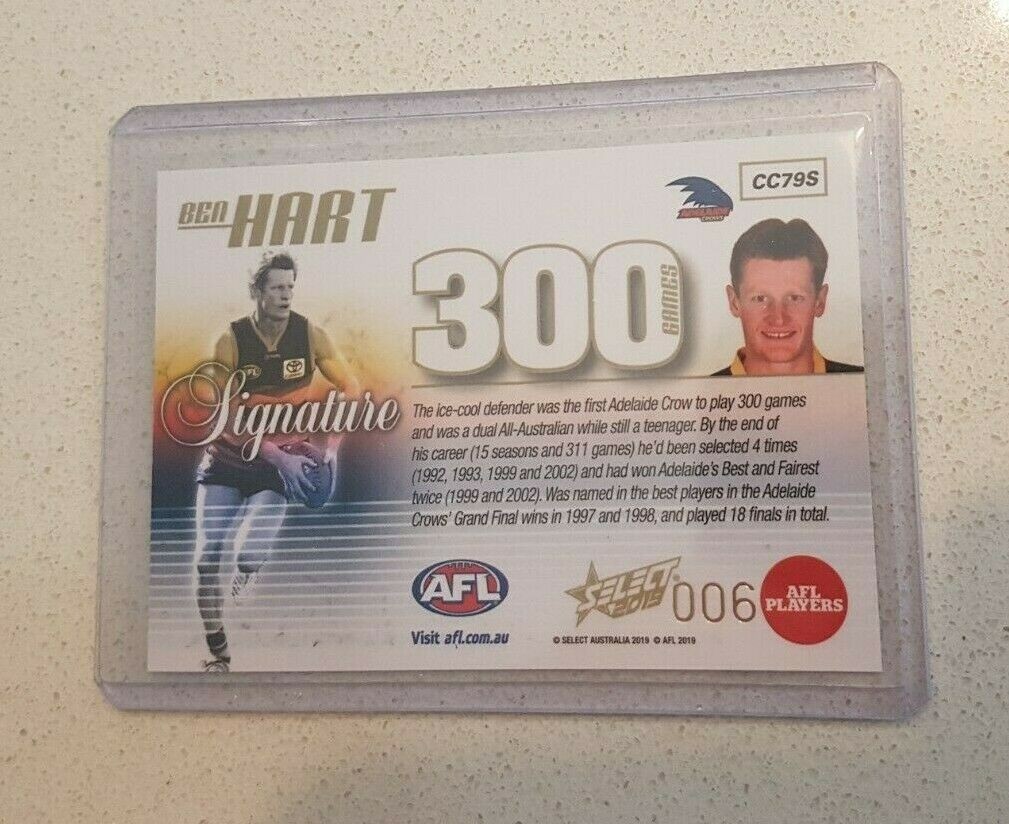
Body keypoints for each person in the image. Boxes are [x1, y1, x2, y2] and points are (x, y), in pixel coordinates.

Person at [194, 251, 360, 672]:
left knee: (249, 552)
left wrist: (331, 449)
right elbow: (224, 416)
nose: (286, 295)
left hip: (277, 465)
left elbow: (351, 388)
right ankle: (218, 650)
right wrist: (273, 453)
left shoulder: (311, 335)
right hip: (230, 457)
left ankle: (248, 571)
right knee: (207, 555)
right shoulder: (230, 341)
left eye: (290, 287)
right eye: (277, 287)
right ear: (258, 291)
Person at [712, 218, 863, 376]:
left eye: (795, 298)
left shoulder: (864, 383)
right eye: (760, 298)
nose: (779, 319)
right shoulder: (703, 390)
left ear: (820, 301)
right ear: (734, 302)